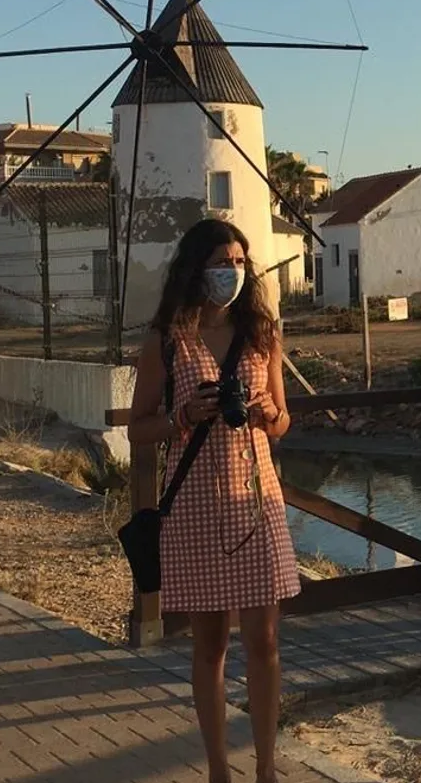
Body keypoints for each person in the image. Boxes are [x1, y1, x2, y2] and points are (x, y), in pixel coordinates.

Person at [126, 219, 300, 783]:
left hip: (255, 499)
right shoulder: (167, 340)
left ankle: (268, 767)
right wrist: (185, 415)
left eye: (241, 261)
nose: (233, 270)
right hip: (196, 504)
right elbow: (138, 429)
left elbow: (283, 420)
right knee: (209, 647)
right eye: (222, 261)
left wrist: (266, 414)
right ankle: (219, 770)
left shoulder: (261, 334)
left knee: (265, 640)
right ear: (196, 267)